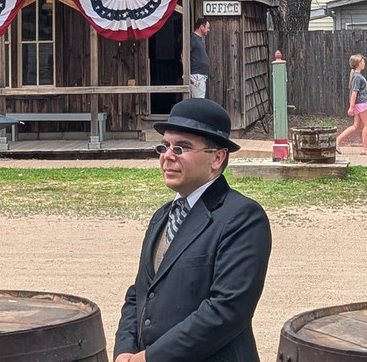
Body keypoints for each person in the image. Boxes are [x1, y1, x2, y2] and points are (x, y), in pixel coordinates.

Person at [114, 98, 271, 362]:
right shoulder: (162, 216)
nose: (168, 156)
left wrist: (150, 358)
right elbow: (139, 293)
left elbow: (226, 310)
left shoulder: (242, 217)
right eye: (164, 146)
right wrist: (125, 351)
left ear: (217, 158)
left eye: (181, 147)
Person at [337, 53, 367, 155]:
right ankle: (365, 149)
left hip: (361, 104)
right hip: (362, 104)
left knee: (356, 126)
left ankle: (337, 141)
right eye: (362, 61)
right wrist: (351, 107)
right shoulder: (357, 77)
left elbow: (365, 92)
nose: (364, 63)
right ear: (358, 63)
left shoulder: (357, 76)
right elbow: (354, 92)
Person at [188, 17, 211, 98]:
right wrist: (186, 72)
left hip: (200, 76)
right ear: (202, 27)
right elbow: (184, 54)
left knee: (200, 100)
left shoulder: (198, 39)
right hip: (196, 76)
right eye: (207, 27)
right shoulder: (193, 38)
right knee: (198, 101)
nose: (209, 30)